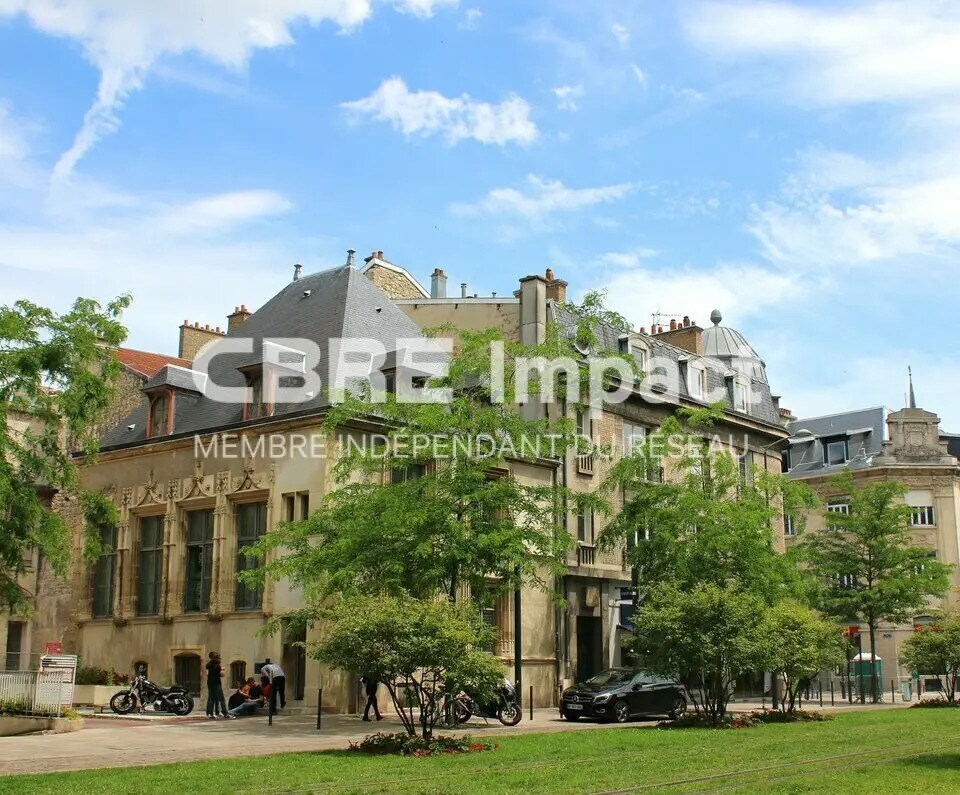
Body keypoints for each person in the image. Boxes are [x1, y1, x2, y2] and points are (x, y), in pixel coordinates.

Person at [205, 651, 228, 719]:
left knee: (211, 699)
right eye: (219, 658)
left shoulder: (208, 665)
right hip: (217, 684)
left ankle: (210, 714)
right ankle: (225, 713)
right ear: (216, 658)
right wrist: (222, 669)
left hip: (210, 684)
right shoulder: (218, 665)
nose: (220, 659)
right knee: (221, 699)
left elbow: (207, 674)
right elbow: (222, 674)